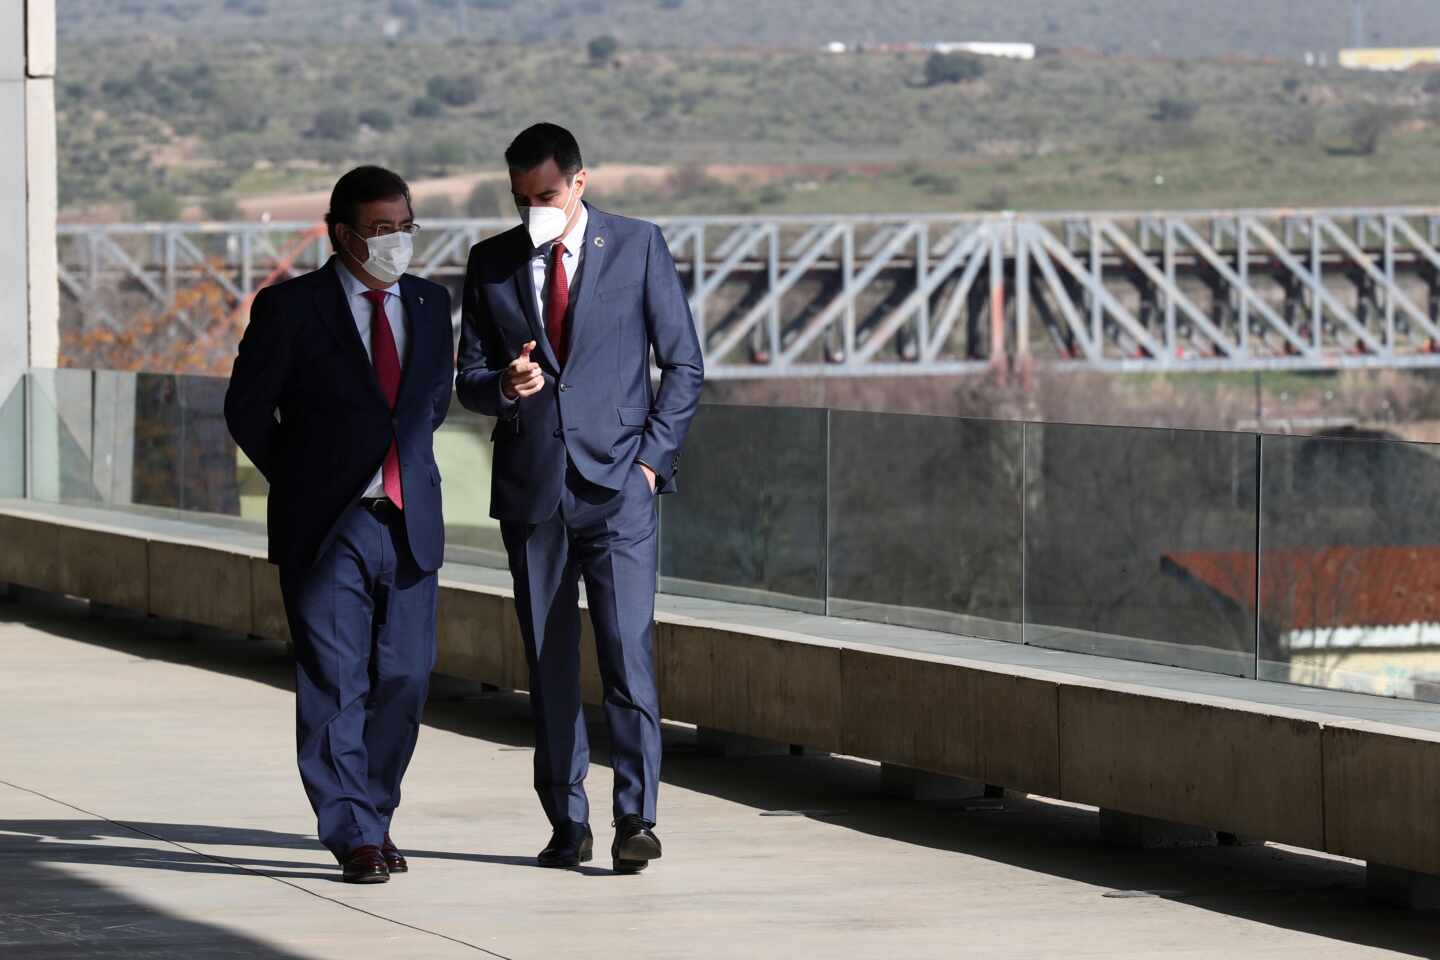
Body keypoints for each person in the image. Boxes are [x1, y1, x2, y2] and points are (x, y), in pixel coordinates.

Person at [456, 123, 704, 874]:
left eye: (548, 194)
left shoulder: (637, 246)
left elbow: (684, 365)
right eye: (522, 197)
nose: (536, 208)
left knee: (627, 652)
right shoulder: (491, 263)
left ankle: (638, 818)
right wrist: (505, 385)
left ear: (580, 183)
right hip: (535, 489)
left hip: (622, 488)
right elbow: (468, 376)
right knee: (550, 661)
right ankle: (568, 823)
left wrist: (651, 468)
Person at [224, 166, 455, 884]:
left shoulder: (428, 301)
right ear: (343, 234)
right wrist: (302, 477)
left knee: (406, 679)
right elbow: (246, 410)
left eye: (404, 228)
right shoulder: (292, 308)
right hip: (329, 525)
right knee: (335, 681)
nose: (395, 243)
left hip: (409, 518)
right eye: (381, 231)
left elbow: (430, 406)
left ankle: (375, 816)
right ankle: (352, 833)